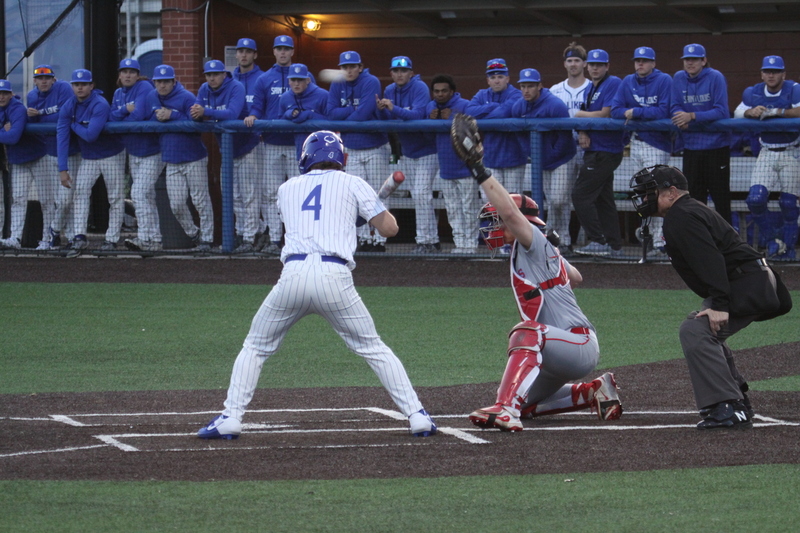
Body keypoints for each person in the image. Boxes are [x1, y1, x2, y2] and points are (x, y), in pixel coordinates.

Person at [197, 130, 437, 440]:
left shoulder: (288, 188)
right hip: (334, 278)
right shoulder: (353, 183)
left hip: (292, 276)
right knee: (373, 347)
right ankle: (416, 415)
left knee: (255, 346)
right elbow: (390, 228)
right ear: (341, 158)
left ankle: (231, 416)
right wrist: (372, 210)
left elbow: (318, 218)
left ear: (306, 157)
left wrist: (358, 215)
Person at [448, 114, 622, 432]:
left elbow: (513, 215)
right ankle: (593, 391)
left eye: (498, 220)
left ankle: (504, 409)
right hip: (560, 348)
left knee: (526, 331)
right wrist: (555, 257)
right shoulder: (538, 250)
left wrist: (478, 167)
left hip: (577, 345)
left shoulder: (531, 242)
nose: (495, 226)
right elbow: (577, 277)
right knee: (528, 400)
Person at [629, 165, 791, 429]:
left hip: (749, 282)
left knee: (695, 331)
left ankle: (727, 406)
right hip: (752, 279)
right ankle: (735, 401)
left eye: (650, 193)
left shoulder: (681, 215)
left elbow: (710, 258)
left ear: (671, 193)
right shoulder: (688, 210)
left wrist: (719, 303)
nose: (645, 200)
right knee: (703, 328)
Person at [734, 55, 800, 262]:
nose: (771, 75)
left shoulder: (793, 88)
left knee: (789, 204)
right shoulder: (754, 91)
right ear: (762, 74)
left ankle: (788, 249)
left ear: (783, 74)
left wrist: (779, 112)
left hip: (792, 150)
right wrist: (750, 112)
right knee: (755, 199)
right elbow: (737, 112)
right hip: (767, 150)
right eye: (767, 72)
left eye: (775, 72)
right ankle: (774, 240)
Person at [611, 46, 674, 257]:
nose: (640, 64)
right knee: (645, 193)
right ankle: (650, 235)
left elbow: (664, 110)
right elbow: (616, 110)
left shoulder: (664, 80)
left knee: (656, 193)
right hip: (635, 143)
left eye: (645, 61)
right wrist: (637, 114)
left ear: (653, 63)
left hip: (656, 144)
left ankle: (659, 239)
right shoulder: (628, 81)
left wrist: (635, 112)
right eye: (637, 60)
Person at [192, 59, 260, 253]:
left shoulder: (235, 86)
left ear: (224, 74)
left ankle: (250, 238)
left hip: (247, 146)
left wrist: (206, 112)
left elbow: (232, 114)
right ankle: (240, 234)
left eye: (215, 74)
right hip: (227, 151)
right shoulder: (204, 89)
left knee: (249, 195)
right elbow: (195, 114)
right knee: (232, 195)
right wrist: (197, 114)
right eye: (208, 75)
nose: (212, 78)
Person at [57, 69, 126, 256]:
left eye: (84, 84)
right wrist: (62, 169)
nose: (80, 87)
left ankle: (111, 240)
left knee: (115, 197)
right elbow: (62, 137)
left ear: (91, 86)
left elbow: (90, 135)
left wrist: (74, 124)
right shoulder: (69, 105)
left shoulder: (99, 103)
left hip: (111, 154)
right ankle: (79, 237)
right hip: (89, 157)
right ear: (72, 86)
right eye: (76, 84)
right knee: (80, 192)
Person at [145, 64, 213, 252]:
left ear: (174, 81)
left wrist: (172, 115)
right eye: (159, 81)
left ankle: (207, 240)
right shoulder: (152, 97)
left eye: (166, 81)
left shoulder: (186, 97)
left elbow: (196, 123)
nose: (163, 85)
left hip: (194, 158)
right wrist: (159, 118)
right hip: (171, 159)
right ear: (154, 82)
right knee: (175, 204)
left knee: (200, 200)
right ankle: (194, 234)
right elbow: (147, 120)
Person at [377, 55, 441, 254]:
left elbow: (417, 115)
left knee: (422, 194)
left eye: (403, 70)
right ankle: (432, 240)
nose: (399, 74)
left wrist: (392, 107)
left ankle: (425, 241)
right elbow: (388, 117)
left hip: (428, 150)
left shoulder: (419, 87)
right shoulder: (389, 90)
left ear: (411, 73)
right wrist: (381, 108)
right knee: (418, 196)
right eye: (395, 71)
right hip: (408, 151)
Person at [327, 51, 390, 252]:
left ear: (360, 67)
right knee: (356, 197)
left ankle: (380, 239)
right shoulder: (337, 83)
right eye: (345, 67)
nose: (349, 70)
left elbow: (363, 114)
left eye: (353, 66)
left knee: (379, 195)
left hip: (375, 147)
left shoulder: (371, 81)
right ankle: (363, 239)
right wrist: (350, 113)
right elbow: (331, 113)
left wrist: (344, 114)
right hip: (352, 148)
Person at [509, 68, 576, 255]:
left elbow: (565, 136)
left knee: (559, 199)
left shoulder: (555, 104)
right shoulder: (519, 106)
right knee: (551, 201)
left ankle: (559, 236)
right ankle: (559, 240)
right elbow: (519, 135)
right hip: (540, 161)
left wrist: (551, 156)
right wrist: (531, 154)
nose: (526, 90)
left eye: (530, 86)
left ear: (540, 86)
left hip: (562, 158)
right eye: (523, 86)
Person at [247, 35, 303, 254]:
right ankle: (275, 238)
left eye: (286, 49)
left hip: (296, 144)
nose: (282, 52)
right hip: (271, 143)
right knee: (271, 193)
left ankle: (298, 238)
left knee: (298, 195)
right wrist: (252, 117)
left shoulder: (301, 75)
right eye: (279, 48)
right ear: (273, 52)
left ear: (292, 52)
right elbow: (257, 107)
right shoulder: (264, 79)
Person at [572, 49, 625, 257]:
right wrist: (583, 129)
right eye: (592, 64)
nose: (595, 68)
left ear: (607, 66)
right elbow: (589, 116)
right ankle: (613, 245)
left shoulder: (613, 83)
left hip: (606, 149)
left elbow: (605, 114)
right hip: (595, 149)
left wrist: (578, 115)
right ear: (587, 66)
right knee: (603, 198)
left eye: (599, 64)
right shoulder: (590, 88)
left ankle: (598, 240)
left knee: (580, 195)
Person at [671, 44, 732, 223]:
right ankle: (699, 240)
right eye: (687, 59)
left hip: (716, 147)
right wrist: (679, 118)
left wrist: (692, 116)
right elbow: (674, 106)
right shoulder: (678, 78)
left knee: (720, 198)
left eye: (695, 59)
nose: (690, 63)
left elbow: (722, 111)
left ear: (703, 61)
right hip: (691, 147)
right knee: (694, 199)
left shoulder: (715, 77)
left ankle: (727, 244)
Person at [110, 58, 165, 253]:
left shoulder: (144, 87)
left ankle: (144, 237)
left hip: (153, 151)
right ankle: (155, 239)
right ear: (119, 74)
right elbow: (110, 117)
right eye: (124, 71)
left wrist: (121, 115)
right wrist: (124, 109)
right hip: (133, 151)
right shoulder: (118, 93)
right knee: (147, 196)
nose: (127, 75)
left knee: (139, 193)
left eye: (132, 72)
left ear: (138, 74)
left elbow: (139, 116)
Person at [26, 64, 80, 248]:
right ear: (35, 81)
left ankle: (65, 234)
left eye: (47, 78)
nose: (43, 81)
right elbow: (36, 122)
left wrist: (41, 114)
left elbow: (66, 116)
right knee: (55, 198)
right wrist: (32, 116)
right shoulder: (32, 96)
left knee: (68, 198)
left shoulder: (64, 88)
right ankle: (56, 237)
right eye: (40, 78)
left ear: (53, 79)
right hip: (48, 151)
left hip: (72, 151)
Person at [425, 74, 478, 254]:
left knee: (469, 209)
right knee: (453, 210)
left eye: (444, 91)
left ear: (452, 91)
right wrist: (430, 122)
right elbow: (426, 136)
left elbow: (475, 127)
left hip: (466, 167)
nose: (440, 94)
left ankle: (471, 245)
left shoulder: (464, 105)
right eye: (436, 91)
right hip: (445, 168)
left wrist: (454, 117)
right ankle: (460, 243)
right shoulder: (430, 108)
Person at [549, 42, 592, 253]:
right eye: (569, 60)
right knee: (559, 198)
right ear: (564, 64)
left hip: (589, 150)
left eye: (577, 60)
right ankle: (563, 240)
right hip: (565, 150)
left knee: (591, 196)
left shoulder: (593, 88)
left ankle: (595, 241)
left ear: (584, 63)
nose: (573, 64)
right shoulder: (555, 90)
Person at [465, 59, 524, 202]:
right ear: (488, 80)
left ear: (507, 79)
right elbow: (469, 111)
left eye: (500, 77)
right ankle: (495, 226)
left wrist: (484, 115)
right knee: (489, 201)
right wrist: (493, 105)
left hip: (513, 157)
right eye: (493, 77)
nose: (497, 81)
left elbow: (502, 114)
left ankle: (512, 226)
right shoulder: (482, 94)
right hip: (491, 157)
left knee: (513, 201)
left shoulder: (516, 94)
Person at [0, 79, 48, 250]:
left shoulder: (17, 108)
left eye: (5, 93)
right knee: (18, 200)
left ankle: (47, 240)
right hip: (18, 161)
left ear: (11, 94)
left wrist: (7, 131)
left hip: (39, 157)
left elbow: (13, 137)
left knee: (46, 201)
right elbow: (7, 135)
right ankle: (15, 238)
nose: (1, 97)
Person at [278, 63, 328, 157]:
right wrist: (289, 114)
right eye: (293, 80)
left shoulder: (323, 95)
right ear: (289, 81)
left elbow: (331, 122)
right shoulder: (285, 98)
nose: (296, 83)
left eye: (300, 80)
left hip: (322, 149)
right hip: (297, 148)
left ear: (308, 80)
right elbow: (280, 124)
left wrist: (311, 115)